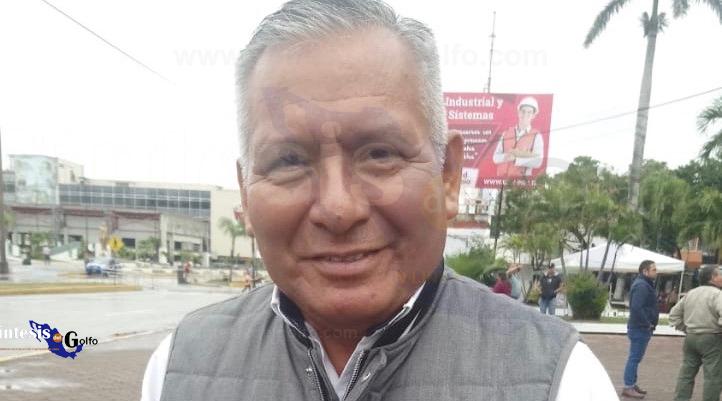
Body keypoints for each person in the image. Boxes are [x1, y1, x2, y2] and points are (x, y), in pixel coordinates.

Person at [140, 1, 618, 400]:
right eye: (289, 160)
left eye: (380, 154)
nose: (338, 208)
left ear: (448, 177)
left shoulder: (559, 381)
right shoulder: (179, 368)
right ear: (245, 192)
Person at [669, 265, 722, 401]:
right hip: (712, 337)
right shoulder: (717, 294)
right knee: (712, 376)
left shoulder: (691, 293)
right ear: (712, 278)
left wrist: (685, 328)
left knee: (686, 374)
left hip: (691, 338)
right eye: (719, 274)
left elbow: (673, 315)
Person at [621, 260, 659, 399]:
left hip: (641, 327)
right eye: (653, 269)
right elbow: (636, 307)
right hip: (640, 328)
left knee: (636, 358)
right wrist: (647, 323)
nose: (656, 272)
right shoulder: (642, 286)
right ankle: (628, 386)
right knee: (634, 358)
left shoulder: (644, 284)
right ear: (645, 271)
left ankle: (632, 383)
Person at [492, 96, 545, 179]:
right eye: (523, 111)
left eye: (529, 112)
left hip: (522, 183)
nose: (525, 114)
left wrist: (516, 160)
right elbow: (495, 158)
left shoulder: (536, 136)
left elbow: (538, 162)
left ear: (533, 115)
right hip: (501, 181)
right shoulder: (506, 133)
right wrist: (506, 157)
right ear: (518, 112)